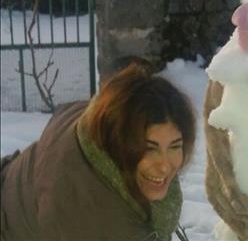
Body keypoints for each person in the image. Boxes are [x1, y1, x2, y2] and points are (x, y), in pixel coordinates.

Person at [1, 58, 196, 241]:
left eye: (174, 146)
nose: (164, 166)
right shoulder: (97, 221)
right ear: (120, 140)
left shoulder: (94, 126)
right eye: (149, 149)